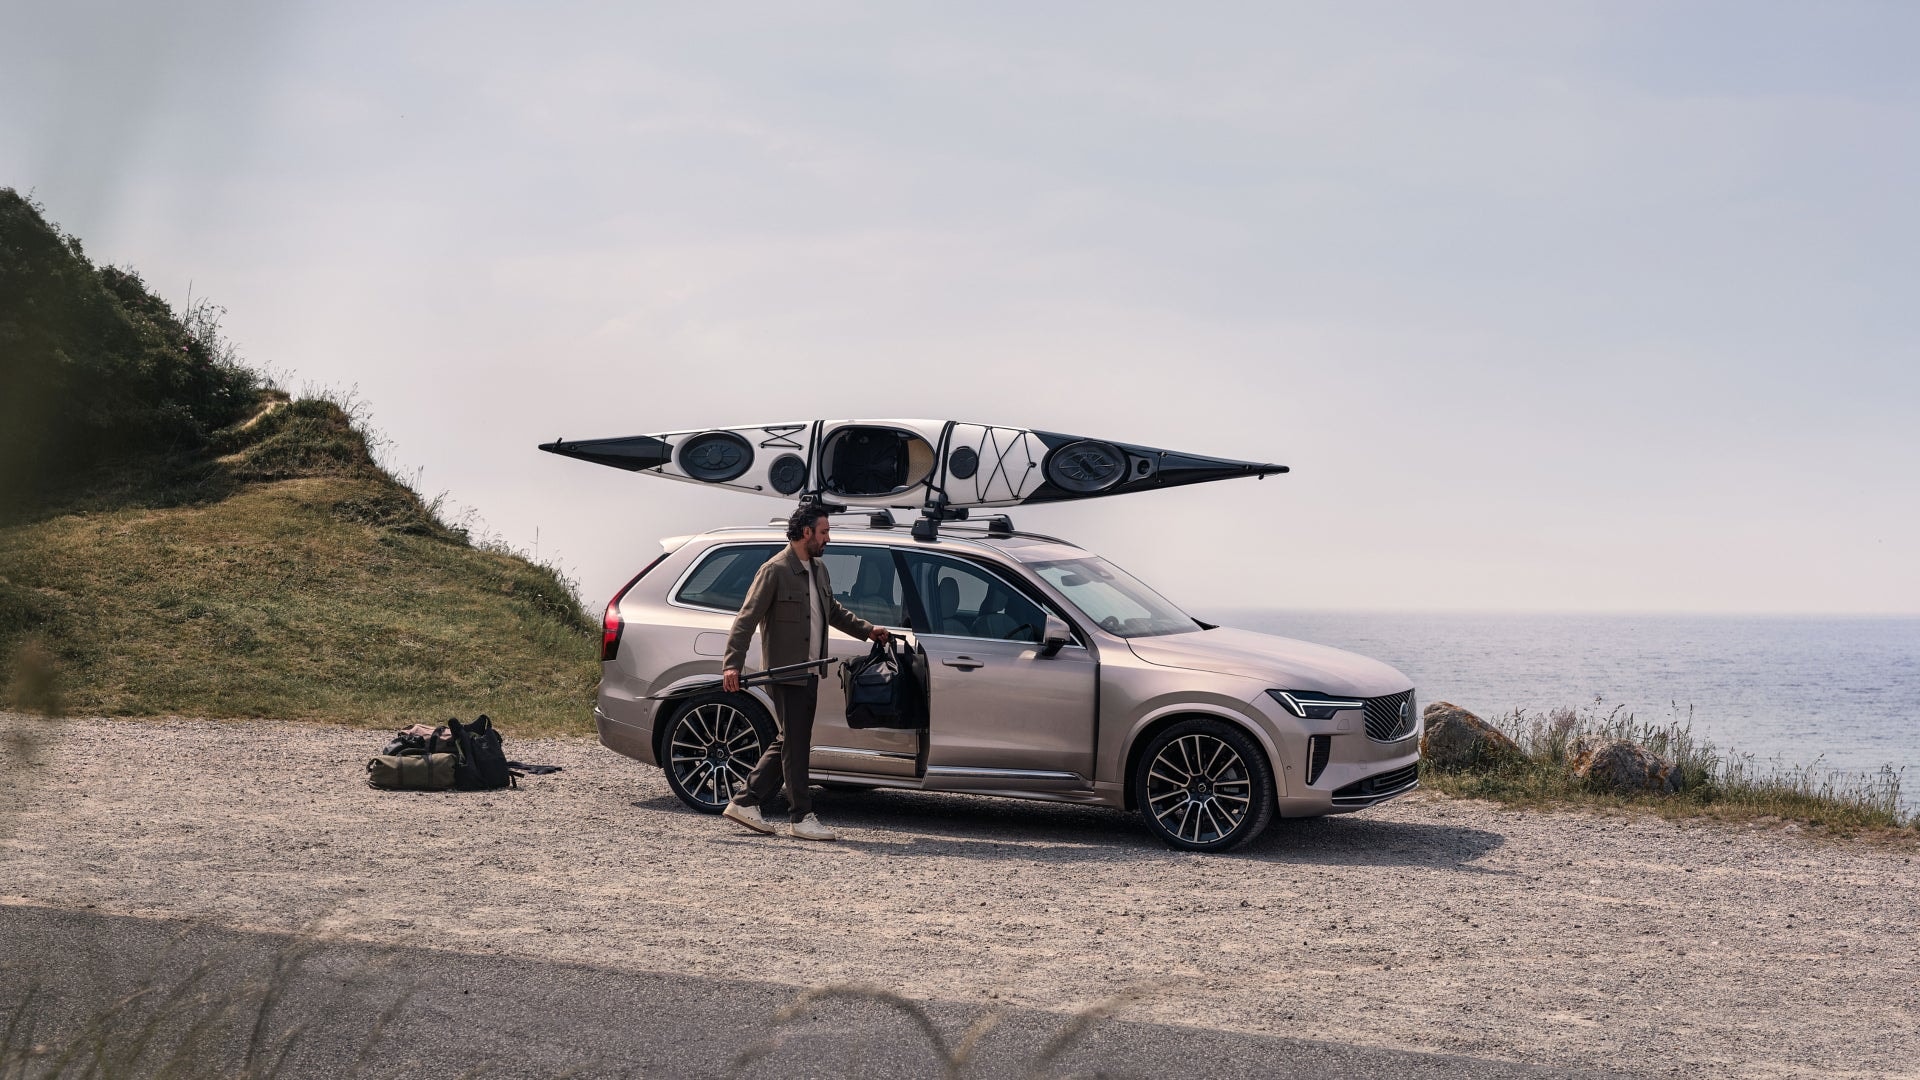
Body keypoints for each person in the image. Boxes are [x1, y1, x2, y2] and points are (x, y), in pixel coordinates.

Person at [719, 502, 890, 840]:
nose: (828, 538)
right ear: (806, 532)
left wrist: (868, 630)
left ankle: (745, 801)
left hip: (810, 671)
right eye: (824, 532)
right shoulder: (775, 570)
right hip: (786, 671)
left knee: (790, 740)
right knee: (796, 743)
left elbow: (833, 610)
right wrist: (731, 665)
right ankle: (801, 817)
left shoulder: (819, 569)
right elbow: (746, 619)